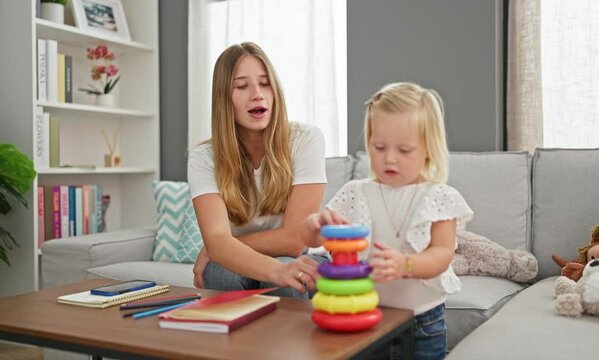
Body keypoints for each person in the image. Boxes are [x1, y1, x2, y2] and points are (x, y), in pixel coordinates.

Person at [302, 82, 473, 359]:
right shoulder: (357, 192)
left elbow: (442, 254)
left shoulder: (439, 196)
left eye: (404, 150)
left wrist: (406, 264)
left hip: (423, 322)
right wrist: (314, 224)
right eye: (379, 147)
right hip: (366, 315)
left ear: (429, 148)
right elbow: (314, 241)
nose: (389, 158)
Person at [188, 42, 329, 299]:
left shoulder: (306, 139)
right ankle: (230, 339)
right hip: (241, 263)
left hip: (306, 257)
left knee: (291, 274)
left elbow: (294, 241)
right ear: (223, 98)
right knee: (221, 273)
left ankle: (290, 341)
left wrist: (218, 247)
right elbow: (218, 241)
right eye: (242, 86)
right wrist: (217, 247)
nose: (257, 94)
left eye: (265, 84)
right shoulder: (203, 158)